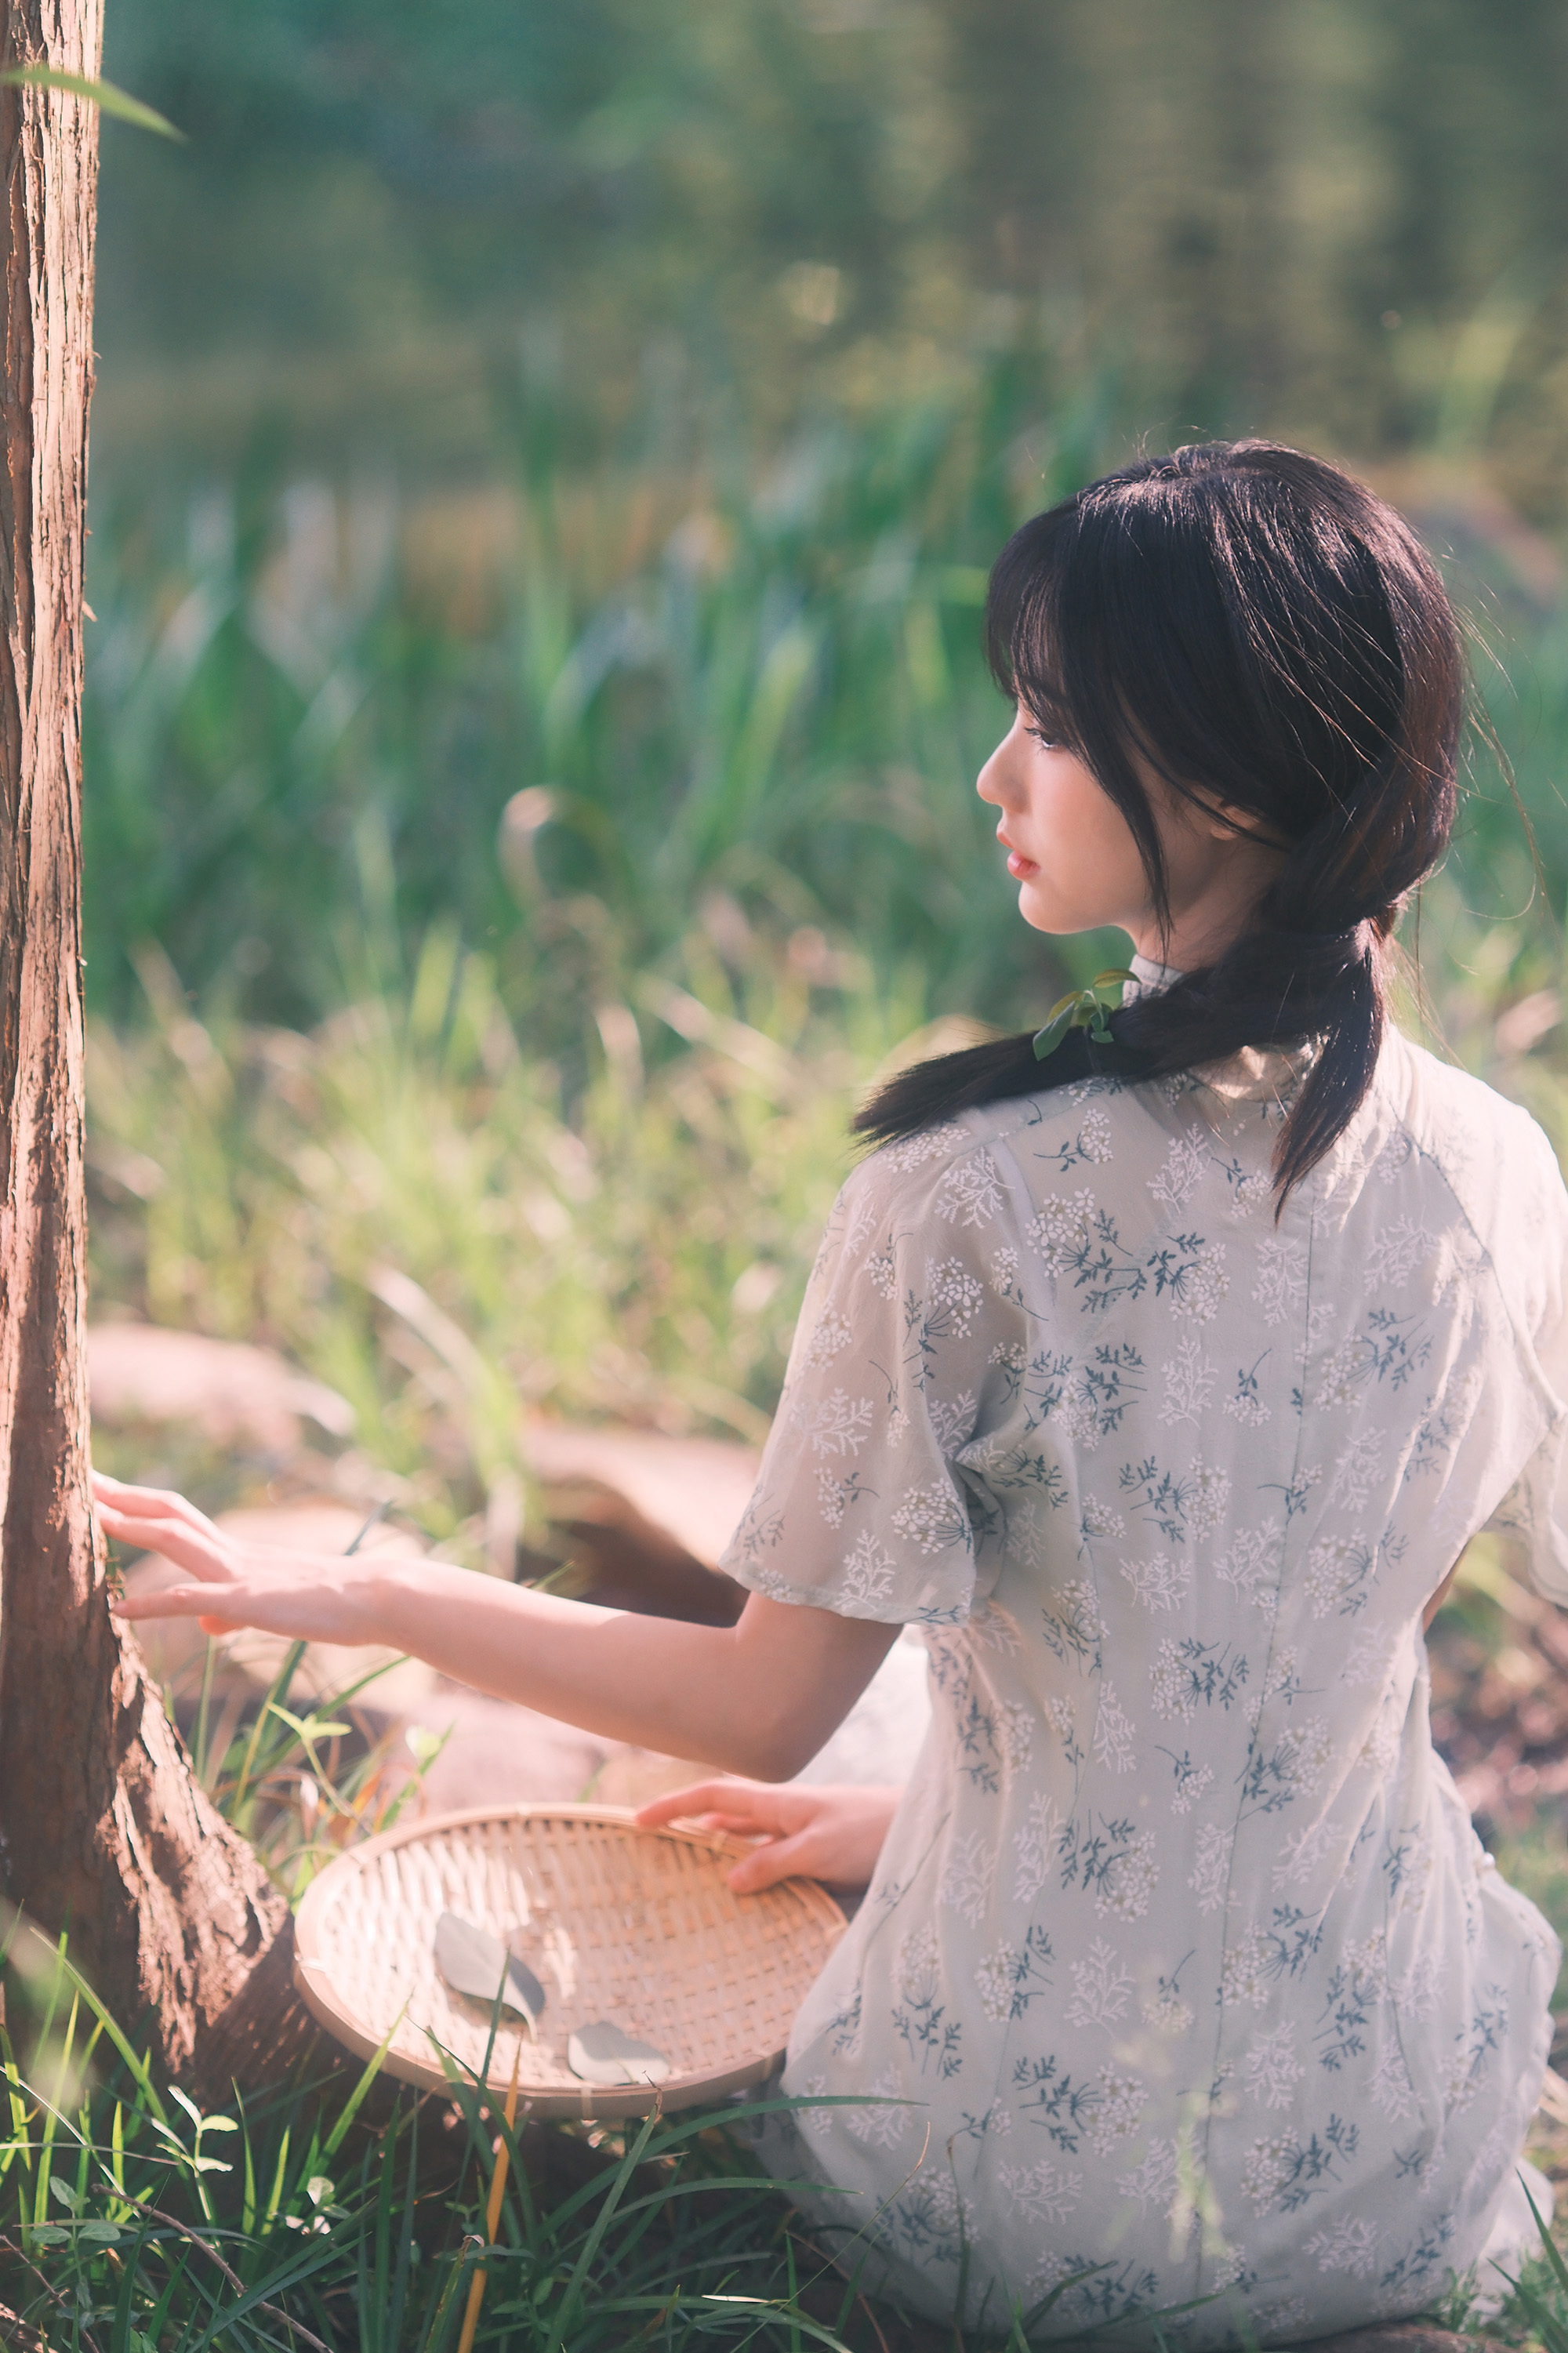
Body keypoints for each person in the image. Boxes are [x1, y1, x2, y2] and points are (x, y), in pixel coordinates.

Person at [101, 440, 1568, 2347]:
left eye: (1045, 724)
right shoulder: (1496, 1171)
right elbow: (1263, 1642)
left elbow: (757, 1709)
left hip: (1016, 2193)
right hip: (1377, 2137)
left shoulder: (968, 1191)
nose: (993, 778)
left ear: (1213, 780)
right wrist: (961, 1819)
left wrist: (368, 1592)